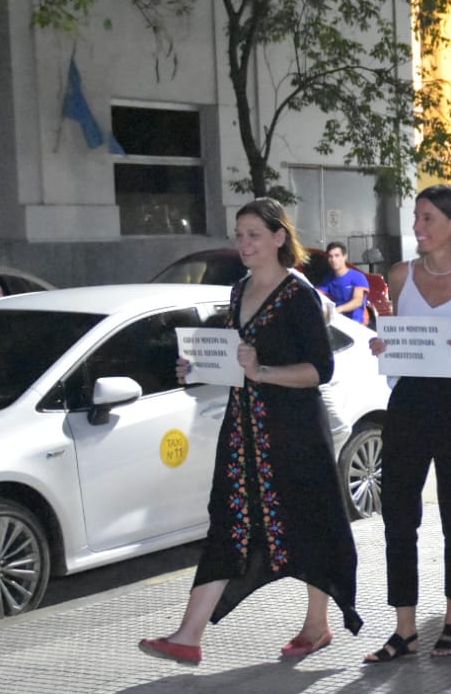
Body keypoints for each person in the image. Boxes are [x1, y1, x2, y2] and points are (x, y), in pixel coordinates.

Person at [138, 197, 363, 666]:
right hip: (244, 432)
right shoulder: (238, 291)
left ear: (279, 237)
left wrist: (264, 372)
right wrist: (198, 366)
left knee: (310, 522)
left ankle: (317, 625)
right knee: (228, 521)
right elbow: (234, 356)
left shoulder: (299, 295)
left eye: (254, 235)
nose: (244, 244)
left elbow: (319, 369)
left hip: (295, 433)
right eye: (239, 235)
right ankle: (188, 634)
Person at [365, 184, 451, 663]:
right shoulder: (401, 276)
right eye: (416, 218)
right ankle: (404, 629)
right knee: (399, 514)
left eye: (428, 219)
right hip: (408, 401)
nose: (418, 228)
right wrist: (384, 344)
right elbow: (397, 335)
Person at [318, 241, 370, 326]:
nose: (333, 259)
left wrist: (337, 310)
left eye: (337, 256)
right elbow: (318, 294)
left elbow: (358, 301)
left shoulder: (357, 277)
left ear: (345, 257)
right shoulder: (328, 279)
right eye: (330, 256)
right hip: (338, 322)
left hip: (358, 322)